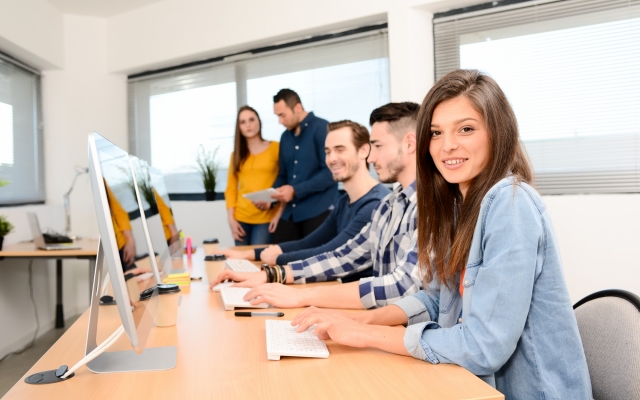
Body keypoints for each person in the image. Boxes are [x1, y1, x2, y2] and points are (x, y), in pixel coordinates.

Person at [291, 70, 592, 399]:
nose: (448, 145)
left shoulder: (510, 203)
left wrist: (367, 336)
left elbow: (483, 347)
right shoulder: (457, 206)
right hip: (466, 383)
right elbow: (435, 299)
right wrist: (365, 323)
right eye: (436, 132)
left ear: (497, 132)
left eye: (466, 129)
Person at [213, 102, 421, 310]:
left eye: (378, 146)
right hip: (380, 318)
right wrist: (271, 274)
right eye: (327, 151)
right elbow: (344, 256)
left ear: (410, 144)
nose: (372, 157)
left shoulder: (421, 207)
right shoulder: (389, 205)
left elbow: (400, 287)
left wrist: (301, 295)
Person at [213, 120, 390, 273]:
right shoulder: (345, 202)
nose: (331, 158)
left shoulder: (374, 204)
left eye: (340, 149)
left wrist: (279, 259)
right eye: (327, 152)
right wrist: (246, 254)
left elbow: (332, 252)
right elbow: (307, 243)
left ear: (364, 151)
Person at [266, 89, 338, 243]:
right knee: (276, 254)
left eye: (282, 115)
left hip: (318, 208)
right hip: (291, 212)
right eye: (277, 116)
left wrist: (295, 190)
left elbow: (331, 173)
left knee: (312, 258)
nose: (280, 121)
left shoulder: (322, 128)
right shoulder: (285, 137)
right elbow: (283, 175)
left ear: (297, 107)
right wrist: (269, 196)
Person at [224, 106, 284, 245]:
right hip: (241, 218)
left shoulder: (276, 148)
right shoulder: (236, 155)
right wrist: (231, 219)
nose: (248, 125)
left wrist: (279, 214)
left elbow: (285, 180)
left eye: (251, 119)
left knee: (260, 263)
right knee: (240, 264)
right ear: (239, 127)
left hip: (266, 219)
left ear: (259, 122)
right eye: (243, 122)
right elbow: (231, 188)